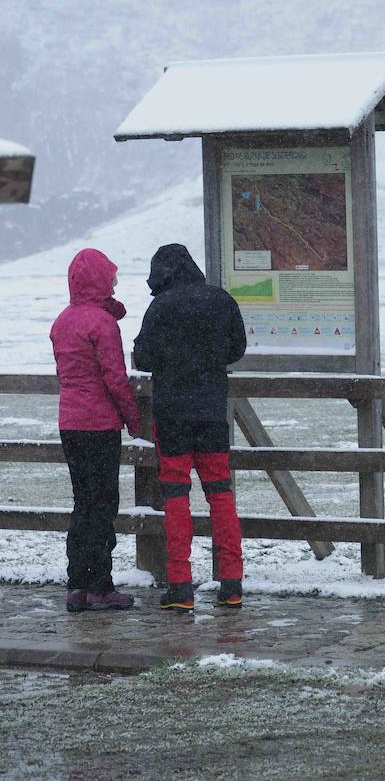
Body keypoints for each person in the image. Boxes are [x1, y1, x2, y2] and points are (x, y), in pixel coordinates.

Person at [133, 244, 247, 612]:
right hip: (212, 412)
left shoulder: (161, 306)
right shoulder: (220, 300)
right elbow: (236, 348)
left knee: (176, 497)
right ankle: (232, 584)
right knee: (220, 494)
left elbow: (144, 357)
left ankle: (180, 586)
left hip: (172, 416)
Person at [50, 248, 141, 612]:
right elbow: (115, 379)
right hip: (99, 425)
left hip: (69, 422)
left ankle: (77, 584)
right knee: (103, 505)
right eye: (112, 276)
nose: (116, 282)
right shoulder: (102, 323)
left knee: (83, 503)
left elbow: (66, 375)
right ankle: (100, 585)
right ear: (100, 281)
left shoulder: (62, 321)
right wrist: (135, 422)